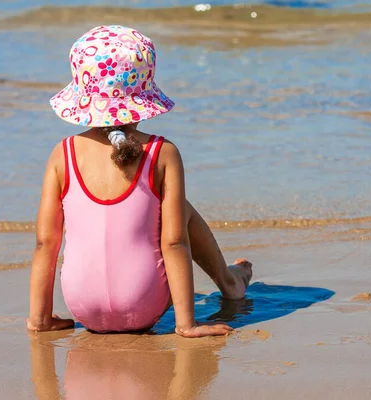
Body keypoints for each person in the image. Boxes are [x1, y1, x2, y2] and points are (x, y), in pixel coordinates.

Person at [27, 25, 253, 338]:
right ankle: (230, 284)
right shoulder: (162, 153)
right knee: (178, 210)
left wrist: (40, 320)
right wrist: (186, 325)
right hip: (143, 305)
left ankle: (231, 281)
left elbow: (45, 243)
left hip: (83, 308)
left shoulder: (61, 154)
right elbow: (174, 242)